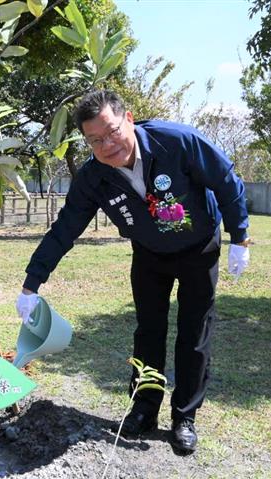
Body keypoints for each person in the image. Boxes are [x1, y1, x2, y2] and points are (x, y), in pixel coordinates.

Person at [15, 90, 250, 454]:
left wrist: (240, 237)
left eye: (111, 132)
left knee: (194, 332)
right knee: (149, 332)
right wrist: (32, 284)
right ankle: (144, 409)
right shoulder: (95, 178)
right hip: (149, 254)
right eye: (95, 140)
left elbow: (226, 180)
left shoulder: (177, 142)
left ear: (128, 119)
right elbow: (65, 228)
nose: (107, 145)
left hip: (199, 248)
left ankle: (184, 416)